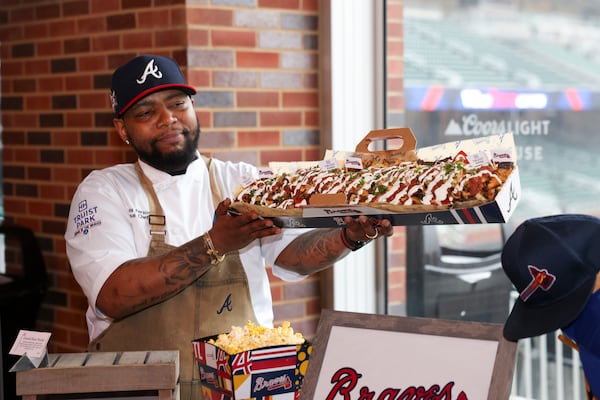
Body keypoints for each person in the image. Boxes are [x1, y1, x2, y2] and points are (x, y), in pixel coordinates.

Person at [64, 54, 393, 398]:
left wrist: (349, 236)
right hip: (139, 389)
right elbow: (114, 295)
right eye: (146, 112)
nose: (168, 119)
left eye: (178, 104)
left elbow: (291, 256)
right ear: (122, 129)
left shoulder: (240, 181)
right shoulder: (103, 191)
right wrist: (214, 244)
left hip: (243, 385)